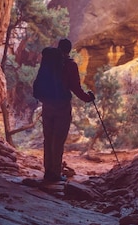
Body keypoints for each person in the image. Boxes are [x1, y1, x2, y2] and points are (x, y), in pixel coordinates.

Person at [40, 38, 94, 182]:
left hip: (47, 104)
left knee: (48, 138)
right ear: (69, 49)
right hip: (62, 106)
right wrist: (88, 98)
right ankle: (55, 173)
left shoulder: (49, 63)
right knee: (58, 140)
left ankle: (47, 171)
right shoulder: (70, 65)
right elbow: (75, 88)